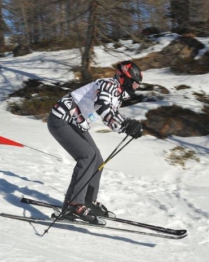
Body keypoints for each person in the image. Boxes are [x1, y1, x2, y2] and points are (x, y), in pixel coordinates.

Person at [47, 61, 144, 224]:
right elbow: (102, 106)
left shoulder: (116, 93)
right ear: (125, 78)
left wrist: (127, 126)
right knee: (87, 156)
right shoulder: (108, 85)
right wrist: (126, 124)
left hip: (74, 123)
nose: (135, 88)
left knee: (97, 159)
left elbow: (110, 114)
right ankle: (73, 204)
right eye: (134, 84)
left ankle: (86, 200)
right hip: (61, 119)